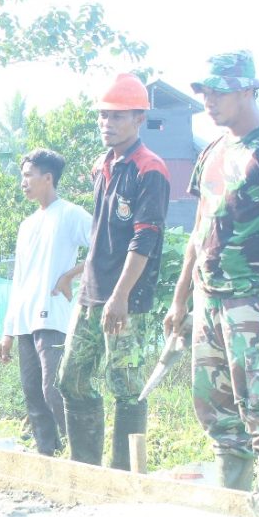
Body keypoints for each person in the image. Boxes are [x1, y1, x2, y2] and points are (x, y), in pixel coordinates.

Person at [165, 51, 259, 497]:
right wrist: (180, 298)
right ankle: (235, 515)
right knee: (216, 409)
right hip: (210, 299)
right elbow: (198, 230)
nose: (209, 100)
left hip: (257, 299)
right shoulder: (211, 152)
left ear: (248, 90)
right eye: (205, 92)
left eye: (219, 91)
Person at [58, 73, 169, 470]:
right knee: (71, 378)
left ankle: (124, 475)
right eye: (103, 115)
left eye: (117, 116)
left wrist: (120, 295)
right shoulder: (101, 165)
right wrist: (79, 276)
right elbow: (100, 234)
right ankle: (85, 468)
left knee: (126, 388)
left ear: (139, 118)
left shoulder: (149, 169)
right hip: (91, 292)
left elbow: (145, 240)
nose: (107, 123)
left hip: (128, 298)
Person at [0, 149, 91, 456]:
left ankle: (82, 455)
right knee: (33, 395)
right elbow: (19, 279)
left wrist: (70, 276)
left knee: (54, 391)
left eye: (28, 175)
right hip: (24, 321)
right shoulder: (27, 225)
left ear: (47, 178)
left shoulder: (71, 213)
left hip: (53, 318)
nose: (23, 182)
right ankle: (46, 456)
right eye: (22, 176)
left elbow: (104, 248)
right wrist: (8, 331)